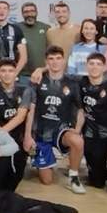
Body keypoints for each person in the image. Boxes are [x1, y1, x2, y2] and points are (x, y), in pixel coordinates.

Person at [25, 45, 86, 195]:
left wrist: (77, 130)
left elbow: (80, 110)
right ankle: (43, 160)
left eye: (58, 58)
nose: (55, 62)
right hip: (41, 132)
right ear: (46, 61)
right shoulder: (37, 81)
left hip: (61, 129)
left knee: (77, 141)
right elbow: (30, 109)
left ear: (64, 61)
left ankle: (73, 177)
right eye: (51, 59)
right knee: (47, 181)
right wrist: (27, 135)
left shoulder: (72, 83)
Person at [78, 52, 107, 195]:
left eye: (98, 64)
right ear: (86, 66)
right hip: (92, 135)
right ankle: (100, 173)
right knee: (97, 182)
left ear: (104, 68)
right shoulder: (80, 82)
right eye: (91, 64)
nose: (94, 67)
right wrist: (40, 70)